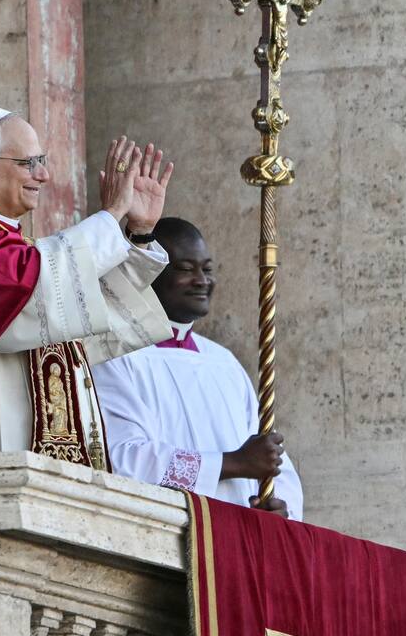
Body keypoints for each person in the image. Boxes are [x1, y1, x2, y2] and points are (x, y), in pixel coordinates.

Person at [0, 107, 176, 469]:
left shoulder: (13, 250)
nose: (43, 175)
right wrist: (110, 215)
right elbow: (36, 285)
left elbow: (84, 310)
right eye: (28, 163)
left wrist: (139, 233)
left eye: (41, 161)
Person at [91, 218, 303, 518]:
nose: (202, 280)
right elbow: (124, 459)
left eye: (207, 268)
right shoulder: (116, 356)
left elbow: (270, 458)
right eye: (186, 269)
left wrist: (281, 506)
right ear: (150, 274)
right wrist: (232, 464)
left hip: (240, 534)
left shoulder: (224, 363)